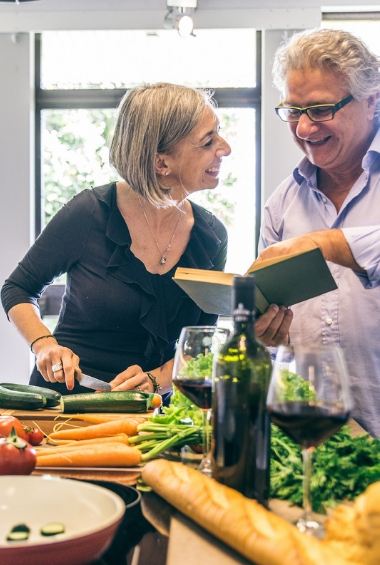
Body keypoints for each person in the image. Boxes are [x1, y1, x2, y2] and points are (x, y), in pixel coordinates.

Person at [1, 82, 235, 401]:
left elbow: (201, 344)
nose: (225, 148)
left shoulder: (213, 237)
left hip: (148, 414)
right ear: (161, 163)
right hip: (65, 404)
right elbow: (17, 288)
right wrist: (44, 344)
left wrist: (155, 381)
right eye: (208, 141)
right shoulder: (88, 213)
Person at [254, 28, 380, 437]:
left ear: (371, 102)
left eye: (321, 109)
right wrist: (259, 333)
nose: (304, 129)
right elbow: (265, 340)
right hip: (309, 437)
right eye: (293, 111)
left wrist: (323, 242)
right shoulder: (282, 202)